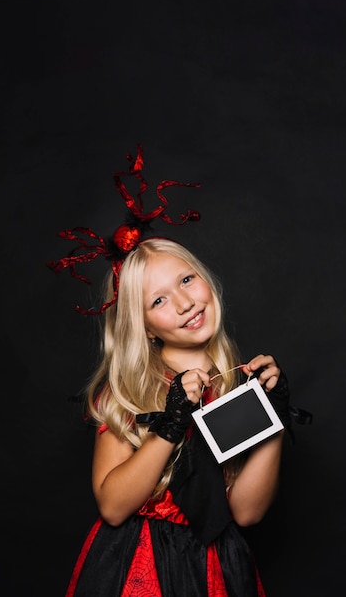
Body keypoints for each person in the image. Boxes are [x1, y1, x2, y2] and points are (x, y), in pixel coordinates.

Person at [62, 236, 293, 596]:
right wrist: (171, 425)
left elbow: (247, 513)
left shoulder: (235, 383)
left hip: (218, 564)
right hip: (141, 563)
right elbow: (112, 507)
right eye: (158, 300)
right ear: (146, 328)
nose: (185, 303)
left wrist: (273, 416)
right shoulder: (128, 392)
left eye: (186, 280)